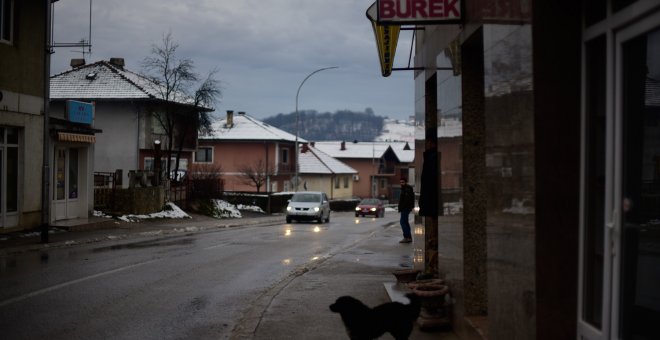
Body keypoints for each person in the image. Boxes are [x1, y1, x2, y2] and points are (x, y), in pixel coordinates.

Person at [397, 178, 415, 243]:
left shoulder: (407, 189)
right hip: (406, 208)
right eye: (400, 182)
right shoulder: (405, 189)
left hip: (405, 208)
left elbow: (407, 200)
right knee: (405, 222)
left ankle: (406, 237)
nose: (401, 183)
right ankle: (409, 237)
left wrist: (402, 207)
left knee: (402, 222)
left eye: (403, 182)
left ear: (405, 182)